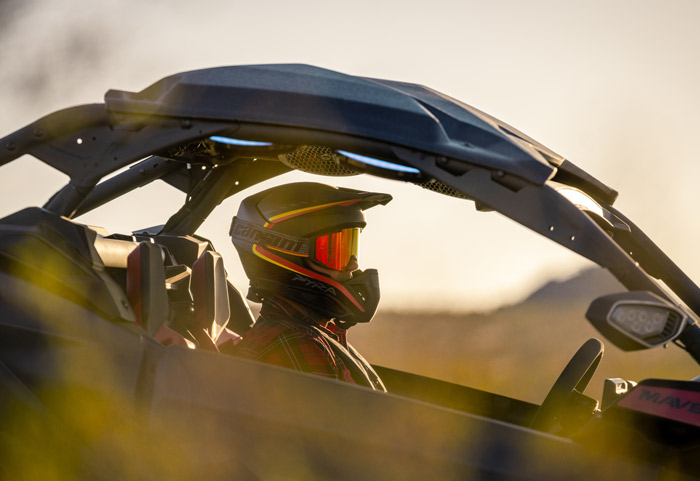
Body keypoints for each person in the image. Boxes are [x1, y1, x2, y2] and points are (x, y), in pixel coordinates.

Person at [229, 182, 391, 391]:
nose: (353, 265)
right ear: (287, 253)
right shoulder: (296, 344)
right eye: (334, 252)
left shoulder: (314, 333)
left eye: (350, 247)